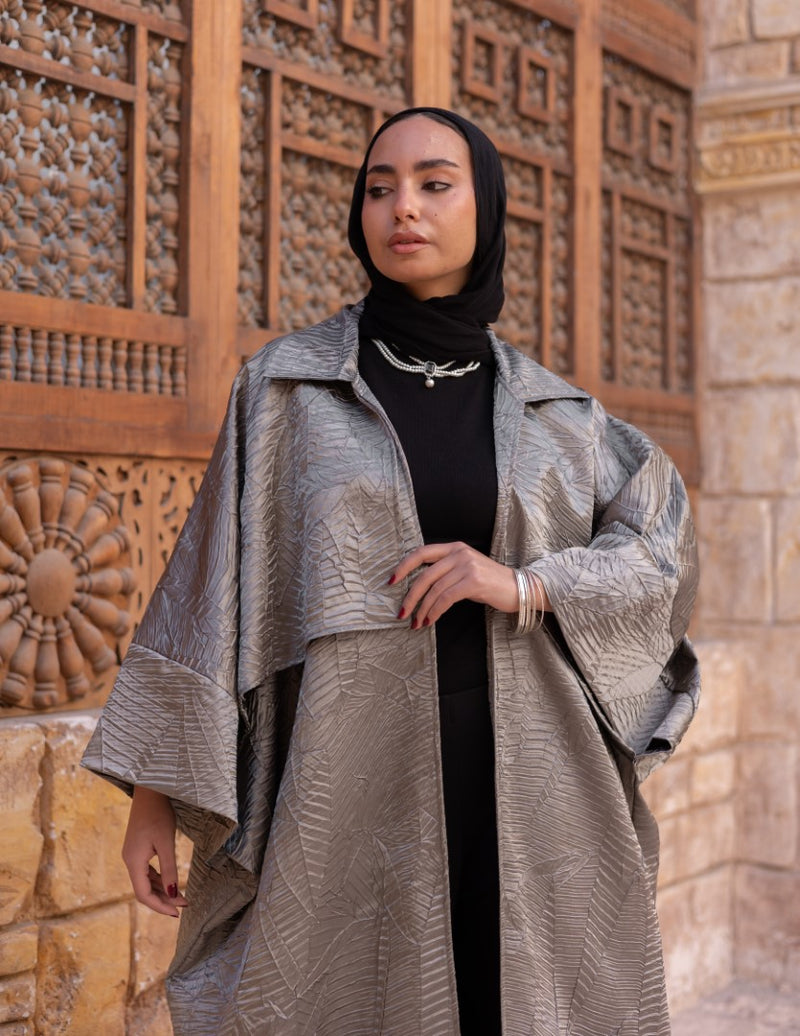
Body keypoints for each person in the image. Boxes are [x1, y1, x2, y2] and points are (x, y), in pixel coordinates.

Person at [83, 107, 700, 1036]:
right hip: (345, 780)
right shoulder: (287, 390)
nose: (402, 207)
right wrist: (153, 798)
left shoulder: (557, 414)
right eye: (379, 188)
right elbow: (206, 593)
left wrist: (525, 584)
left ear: (486, 209)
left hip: (529, 786)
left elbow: (661, 549)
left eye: (433, 184)